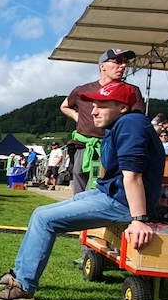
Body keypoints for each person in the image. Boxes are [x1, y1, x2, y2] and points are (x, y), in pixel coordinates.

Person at [0, 81, 165, 300]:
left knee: (44, 219)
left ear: (123, 107)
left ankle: (24, 287)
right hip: (109, 194)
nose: (93, 111)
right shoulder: (121, 124)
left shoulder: (131, 124)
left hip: (122, 203)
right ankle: (18, 276)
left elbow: (133, 175)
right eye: (93, 105)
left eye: (102, 105)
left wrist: (138, 220)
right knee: (40, 213)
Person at [60, 47, 144, 194]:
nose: (123, 66)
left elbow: (137, 119)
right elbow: (64, 106)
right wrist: (77, 116)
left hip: (112, 147)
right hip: (83, 145)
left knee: (104, 189)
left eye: (125, 62)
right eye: (118, 62)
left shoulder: (130, 91)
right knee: (79, 190)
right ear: (102, 66)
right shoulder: (82, 90)